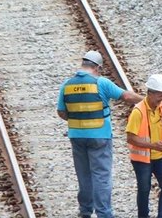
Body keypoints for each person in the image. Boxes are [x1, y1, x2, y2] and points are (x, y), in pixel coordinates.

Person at [57, 50, 144, 218]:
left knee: (83, 175)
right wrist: (146, 100)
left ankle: (85, 211)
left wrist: (77, 119)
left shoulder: (67, 85)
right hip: (100, 136)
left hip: (76, 137)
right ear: (97, 67)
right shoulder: (101, 83)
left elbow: (61, 112)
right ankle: (104, 214)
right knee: (101, 175)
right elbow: (126, 96)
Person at [126, 74, 162, 218]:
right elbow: (130, 138)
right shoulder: (138, 111)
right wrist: (153, 146)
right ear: (150, 93)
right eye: (160, 94)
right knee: (144, 189)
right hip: (142, 160)